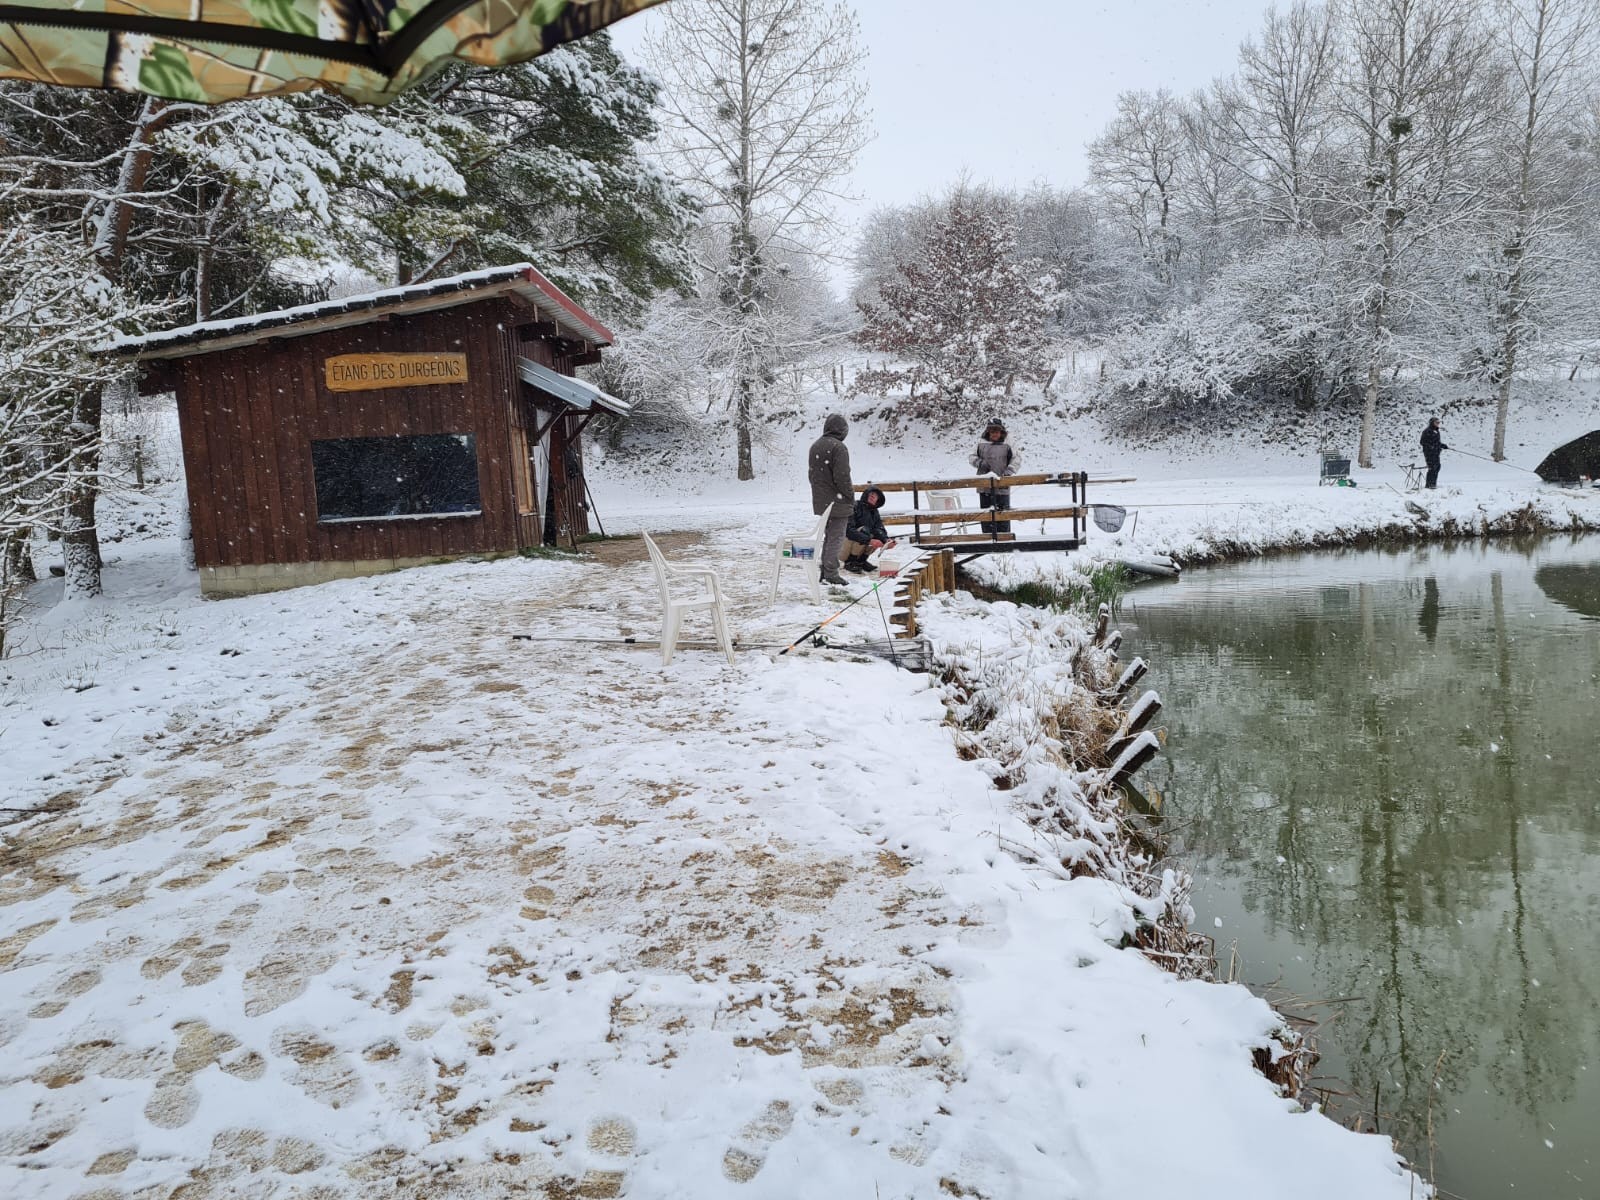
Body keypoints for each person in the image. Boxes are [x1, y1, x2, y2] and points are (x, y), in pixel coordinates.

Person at [808, 413, 853, 584]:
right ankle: (831, 573)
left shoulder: (815, 446)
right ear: (842, 430)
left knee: (828, 536)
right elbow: (842, 477)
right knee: (836, 537)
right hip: (838, 501)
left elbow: (812, 475)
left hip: (822, 500)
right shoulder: (839, 448)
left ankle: (826, 570)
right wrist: (849, 495)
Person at [969, 418, 1021, 533]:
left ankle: (1004, 542)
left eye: (997, 431)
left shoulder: (1008, 443)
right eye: (992, 431)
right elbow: (972, 457)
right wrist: (980, 463)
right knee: (986, 516)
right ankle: (987, 541)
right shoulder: (981, 442)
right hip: (984, 486)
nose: (994, 434)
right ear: (988, 432)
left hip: (1002, 485)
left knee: (1003, 516)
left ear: (1001, 432)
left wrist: (1009, 471)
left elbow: (1016, 458)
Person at [841, 486, 897, 573]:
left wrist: (886, 541)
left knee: (877, 536)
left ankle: (861, 561)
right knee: (864, 531)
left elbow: (879, 529)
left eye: (875, 496)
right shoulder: (853, 506)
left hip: (858, 547)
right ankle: (851, 562)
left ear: (878, 500)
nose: (872, 496)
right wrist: (869, 541)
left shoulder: (874, 512)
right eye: (871, 494)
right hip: (843, 550)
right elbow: (848, 531)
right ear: (865, 495)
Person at [1421, 417, 1447, 489]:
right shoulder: (1427, 431)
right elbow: (1422, 442)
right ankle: (1429, 485)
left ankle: (1433, 483)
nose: (1438, 424)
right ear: (1432, 423)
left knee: (1437, 467)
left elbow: (1437, 443)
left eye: (1439, 422)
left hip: (1436, 453)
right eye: (1436, 422)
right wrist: (1431, 447)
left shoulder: (1436, 431)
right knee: (1432, 468)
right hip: (1429, 453)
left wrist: (1442, 445)